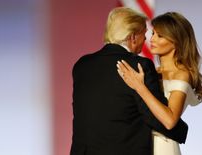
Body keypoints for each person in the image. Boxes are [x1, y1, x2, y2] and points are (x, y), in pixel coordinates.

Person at [70, 7, 188, 155]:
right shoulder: (139, 65)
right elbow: (152, 116)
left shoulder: (82, 65)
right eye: (144, 34)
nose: (147, 39)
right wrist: (182, 130)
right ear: (133, 37)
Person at [117, 12, 202, 155]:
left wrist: (139, 86)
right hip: (139, 143)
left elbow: (169, 121)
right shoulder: (151, 72)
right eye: (153, 33)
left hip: (163, 145)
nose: (152, 39)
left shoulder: (182, 74)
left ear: (176, 41)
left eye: (160, 36)